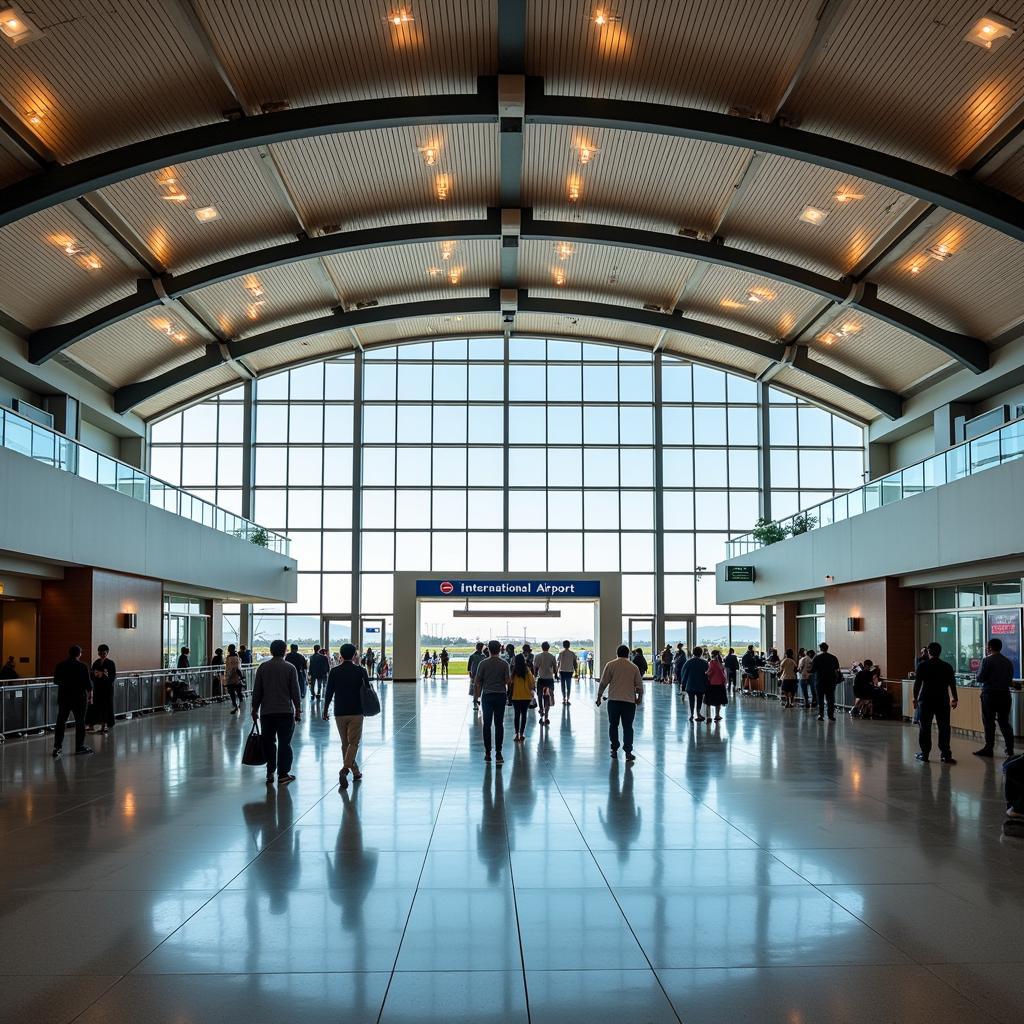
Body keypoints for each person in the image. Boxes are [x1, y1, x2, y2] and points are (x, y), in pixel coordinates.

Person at [251, 639, 302, 785]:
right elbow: (295, 692)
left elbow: (257, 691)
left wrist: (255, 709)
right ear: (285, 650)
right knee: (284, 743)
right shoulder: (290, 668)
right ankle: (283, 774)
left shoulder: (263, 668)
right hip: (285, 712)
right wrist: (298, 709)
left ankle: (270, 772)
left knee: (269, 742)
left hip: (267, 713)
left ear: (272, 651)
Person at [322, 643, 367, 788]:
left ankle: (356, 772)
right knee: (353, 743)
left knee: (345, 744)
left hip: (339, 712)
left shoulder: (334, 671)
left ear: (340, 655)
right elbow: (367, 690)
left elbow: (329, 692)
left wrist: (325, 709)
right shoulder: (361, 671)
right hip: (356, 711)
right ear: (354, 655)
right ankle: (345, 769)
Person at [913, 641, 958, 764]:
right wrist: (955, 698)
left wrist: (914, 698)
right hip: (942, 700)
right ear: (940, 652)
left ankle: (925, 754)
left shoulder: (922, 666)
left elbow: (917, 684)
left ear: (928, 651)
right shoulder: (947, 666)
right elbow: (952, 684)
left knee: (925, 727)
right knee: (944, 727)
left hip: (926, 700)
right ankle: (945, 755)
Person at [597, 644, 644, 761]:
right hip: (629, 702)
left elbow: (603, 683)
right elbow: (639, 686)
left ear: (617, 653)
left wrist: (599, 697)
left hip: (614, 701)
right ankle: (628, 752)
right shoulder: (633, 667)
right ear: (628, 654)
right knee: (628, 727)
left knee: (613, 725)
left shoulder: (610, 665)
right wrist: (639, 698)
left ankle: (614, 749)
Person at [974, 637, 1016, 759]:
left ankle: (989, 748)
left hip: (990, 695)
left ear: (990, 648)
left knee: (989, 722)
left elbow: (980, 678)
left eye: (987, 646)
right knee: (1004, 722)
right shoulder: (1008, 662)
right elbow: (1009, 681)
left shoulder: (987, 660)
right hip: (1005, 695)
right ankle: (1010, 749)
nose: (986, 648)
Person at [52, 645, 93, 758]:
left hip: (64, 697)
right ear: (79, 654)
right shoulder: (83, 666)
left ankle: (57, 747)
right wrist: (90, 695)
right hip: (79, 698)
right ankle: (79, 747)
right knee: (80, 722)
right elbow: (88, 683)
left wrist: (66, 684)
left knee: (61, 722)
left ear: (69, 653)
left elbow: (56, 681)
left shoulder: (60, 665)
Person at [474, 640, 511, 763]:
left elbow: (477, 682)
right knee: (499, 724)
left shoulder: (483, 663)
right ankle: (499, 753)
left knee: (487, 725)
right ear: (500, 649)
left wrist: (477, 697)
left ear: (488, 649)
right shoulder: (504, 664)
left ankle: (488, 753)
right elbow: (508, 681)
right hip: (500, 696)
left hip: (487, 696)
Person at [87, 644, 116, 733]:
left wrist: (105, 676)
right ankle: (92, 724)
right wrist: (95, 675)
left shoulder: (111, 663)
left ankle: (105, 725)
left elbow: (113, 676)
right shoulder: (96, 662)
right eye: (100, 653)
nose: (102, 655)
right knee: (95, 706)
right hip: (98, 687)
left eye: (104, 653)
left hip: (107, 689)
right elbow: (91, 674)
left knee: (106, 706)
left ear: (107, 653)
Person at [811, 642, 841, 721]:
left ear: (820, 648)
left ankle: (821, 715)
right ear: (827, 648)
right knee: (830, 698)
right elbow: (837, 669)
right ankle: (831, 715)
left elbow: (812, 670)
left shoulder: (817, 658)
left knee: (820, 698)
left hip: (820, 681)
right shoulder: (833, 657)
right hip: (830, 681)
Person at [509, 652, 535, 743]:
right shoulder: (527, 670)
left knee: (517, 715)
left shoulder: (514, 671)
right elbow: (532, 683)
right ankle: (522, 733)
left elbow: (510, 682)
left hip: (516, 696)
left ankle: (516, 733)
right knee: (524, 715)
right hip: (526, 696)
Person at [681, 645, 709, 721]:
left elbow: (684, 673)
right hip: (701, 685)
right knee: (699, 699)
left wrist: (683, 683)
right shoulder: (704, 663)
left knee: (691, 700)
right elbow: (708, 674)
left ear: (693, 653)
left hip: (690, 684)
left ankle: (692, 714)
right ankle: (698, 713)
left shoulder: (689, 662)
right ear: (701, 653)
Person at [533, 641, 557, 726]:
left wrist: (535, 676)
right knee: (548, 698)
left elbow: (535, 668)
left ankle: (541, 709)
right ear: (548, 648)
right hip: (549, 680)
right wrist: (556, 675)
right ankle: (546, 717)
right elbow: (555, 668)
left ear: (542, 647)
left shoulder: (538, 656)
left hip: (541, 680)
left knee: (540, 696)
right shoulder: (552, 656)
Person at [705, 650, 728, 720]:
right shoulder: (721, 664)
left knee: (708, 701)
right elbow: (724, 675)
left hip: (712, 684)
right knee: (718, 702)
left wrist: (705, 674)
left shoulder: (711, 663)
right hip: (720, 685)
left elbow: (709, 673)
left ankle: (708, 716)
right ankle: (717, 715)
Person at [225, 643, 244, 713]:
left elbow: (236, 669)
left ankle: (237, 706)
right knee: (237, 693)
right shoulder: (235, 657)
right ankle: (237, 706)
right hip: (234, 678)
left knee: (233, 693)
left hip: (233, 678)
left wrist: (241, 676)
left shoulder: (233, 658)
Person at [557, 640, 578, 704]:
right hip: (569, 671)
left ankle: (564, 698)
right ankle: (568, 699)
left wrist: (556, 671)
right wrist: (576, 672)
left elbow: (558, 663)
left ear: (563, 645)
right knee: (568, 685)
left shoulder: (561, 653)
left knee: (562, 686)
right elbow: (575, 663)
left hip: (562, 671)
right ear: (569, 645)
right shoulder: (572, 653)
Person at [467, 641, 486, 708]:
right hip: (474, 674)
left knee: (480, 687)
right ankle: (475, 700)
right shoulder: (472, 656)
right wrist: (470, 673)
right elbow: (469, 666)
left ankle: (477, 699)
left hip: (482, 674)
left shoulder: (484, 656)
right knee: (475, 687)